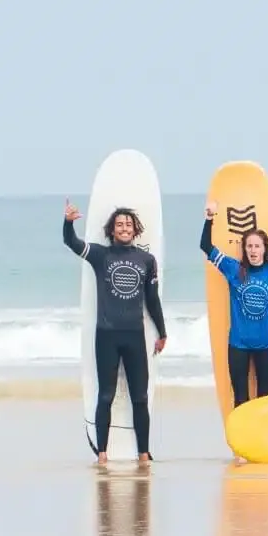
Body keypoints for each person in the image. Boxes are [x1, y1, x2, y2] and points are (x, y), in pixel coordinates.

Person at [62, 198, 167, 466]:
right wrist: (68, 223)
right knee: (105, 396)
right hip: (107, 335)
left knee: (140, 397)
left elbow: (152, 300)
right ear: (112, 230)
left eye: (128, 224)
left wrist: (162, 332)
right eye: (119, 224)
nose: (124, 228)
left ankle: (143, 454)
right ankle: (102, 454)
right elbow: (71, 243)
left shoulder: (147, 260)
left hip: (134, 335)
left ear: (135, 229)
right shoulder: (101, 255)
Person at [201, 201, 268, 408]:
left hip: (266, 345)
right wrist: (209, 218)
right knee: (241, 400)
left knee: (265, 400)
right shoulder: (234, 269)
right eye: (249, 246)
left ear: (264, 249)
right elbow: (206, 247)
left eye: (257, 246)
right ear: (244, 249)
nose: (253, 250)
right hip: (238, 345)